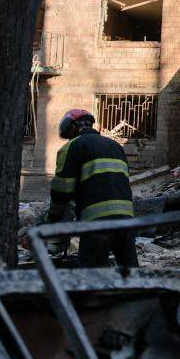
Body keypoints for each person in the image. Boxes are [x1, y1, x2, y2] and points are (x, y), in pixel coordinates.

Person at [45, 108, 137, 269]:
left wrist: (52, 218)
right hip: (126, 219)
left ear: (72, 127)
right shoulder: (115, 146)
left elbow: (62, 190)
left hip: (97, 222)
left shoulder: (72, 146)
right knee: (130, 269)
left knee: (91, 272)